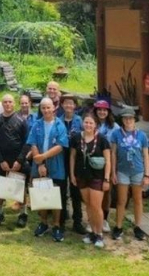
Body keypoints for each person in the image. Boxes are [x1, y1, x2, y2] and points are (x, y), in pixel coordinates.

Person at [27, 97, 69, 242]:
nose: (46, 110)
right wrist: (40, 164)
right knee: (41, 195)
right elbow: (32, 144)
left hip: (56, 166)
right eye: (43, 108)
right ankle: (43, 222)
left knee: (56, 196)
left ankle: (56, 225)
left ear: (54, 108)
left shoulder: (60, 125)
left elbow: (60, 146)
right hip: (39, 166)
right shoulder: (36, 125)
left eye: (48, 107)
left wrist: (43, 156)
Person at [70, 112, 111, 248]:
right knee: (87, 205)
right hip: (82, 176)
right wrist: (72, 174)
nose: (88, 125)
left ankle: (99, 234)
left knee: (96, 206)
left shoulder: (102, 139)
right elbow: (73, 157)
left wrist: (106, 179)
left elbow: (108, 160)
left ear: (95, 125)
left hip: (97, 177)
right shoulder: (76, 138)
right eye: (86, 122)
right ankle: (92, 231)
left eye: (91, 123)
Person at [110, 107, 149, 242]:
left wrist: (147, 175)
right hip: (122, 171)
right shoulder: (116, 134)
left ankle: (138, 227)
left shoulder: (142, 135)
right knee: (121, 200)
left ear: (134, 119)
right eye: (125, 118)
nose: (128, 121)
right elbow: (113, 154)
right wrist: (113, 172)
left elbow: (146, 155)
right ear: (122, 120)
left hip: (138, 171)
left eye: (130, 118)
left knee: (138, 200)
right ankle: (118, 226)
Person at [0, 94, 30, 228]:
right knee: (1, 187)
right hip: (2, 161)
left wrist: (19, 160)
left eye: (10, 102)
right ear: (3, 104)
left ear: (14, 104)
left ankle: (23, 214)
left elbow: (27, 142)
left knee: (20, 188)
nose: (7, 104)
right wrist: (1, 160)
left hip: (18, 161)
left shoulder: (21, 121)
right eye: (5, 102)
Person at [58, 94, 85, 234]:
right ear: (62, 105)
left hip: (76, 159)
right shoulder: (58, 121)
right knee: (62, 190)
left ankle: (77, 221)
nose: (69, 106)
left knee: (75, 190)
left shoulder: (80, 121)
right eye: (66, 103)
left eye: (71, 103)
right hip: (61, 158)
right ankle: (61, 220)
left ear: (75, 106)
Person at [94, 99, 119, 232]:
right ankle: (92, 219)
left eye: (104, 110)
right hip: (93, 161)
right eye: (99, 110)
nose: (102, 112)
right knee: (93, 190)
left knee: (106, 191)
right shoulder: (91, 123)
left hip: (108, 162)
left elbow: (119, 143)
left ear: (108, 112)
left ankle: (104, 219)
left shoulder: (114, 127)